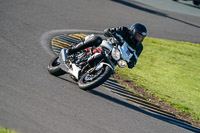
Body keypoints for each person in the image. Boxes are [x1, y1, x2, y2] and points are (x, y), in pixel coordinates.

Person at [65, 23, 147, 69]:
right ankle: (71, 50)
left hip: (116, 56)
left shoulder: (139, 47)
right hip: (107, 45)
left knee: (114, 67)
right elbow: (108, 31)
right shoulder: (124, 30)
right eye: (138, 35)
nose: (139, 38)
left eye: (141, 37)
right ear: (133, 31)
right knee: (96, 39)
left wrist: (131, 64)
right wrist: (110, 32)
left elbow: (135, 59)